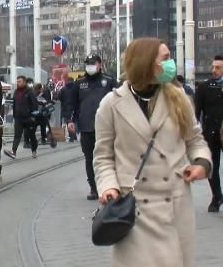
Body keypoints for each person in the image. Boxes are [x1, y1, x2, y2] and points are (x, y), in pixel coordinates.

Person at [94, 38, 211, 267]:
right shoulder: (111, 104)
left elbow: (195, 140)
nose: (171, 64)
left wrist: (201, 163)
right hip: (133, 209)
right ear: (146, 63)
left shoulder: (179, 99)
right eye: (165, 59)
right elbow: (103, 156)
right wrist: (108, 185)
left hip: (174, 203)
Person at [66, 54, 117, 200]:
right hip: (87, 127)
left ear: (100, 64)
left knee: (109, 157)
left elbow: (120, 100)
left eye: (93, 63)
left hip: (107, 128)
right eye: (88, 63)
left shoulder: (108, 81)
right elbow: (72, 103)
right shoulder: (79, 83)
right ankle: (93, 188)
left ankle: (109, 186)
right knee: (90, 158)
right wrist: (70, 120)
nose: (90, 66)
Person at [194, 54, 223, 212]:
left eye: (218, 67)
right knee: (212, 167)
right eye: (213, 67)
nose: (214, 70)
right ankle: (216, 196)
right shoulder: (204, 88)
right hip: (211, 134)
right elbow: (196, 112)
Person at [4, 76, 38, 159]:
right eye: (17, 81)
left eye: (19, 81)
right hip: (18, 118)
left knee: (31, 135)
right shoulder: (16, 92)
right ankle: (13, 152)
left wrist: (33, 117)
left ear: (24, 82)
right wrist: (14, 115)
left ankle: (34, 150)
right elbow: (15, 104)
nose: (17, 83)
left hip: (29, 118)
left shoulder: (30, 92)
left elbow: (35, 105)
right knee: (17, 135)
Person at [58, 77, 77, 142]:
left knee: (68, 122)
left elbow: (59, 97)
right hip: (74, 107)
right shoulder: (75, 88)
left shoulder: (63, 89)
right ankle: (74, 136)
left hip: (65, 107)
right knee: (73, 122)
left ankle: (71, 136)